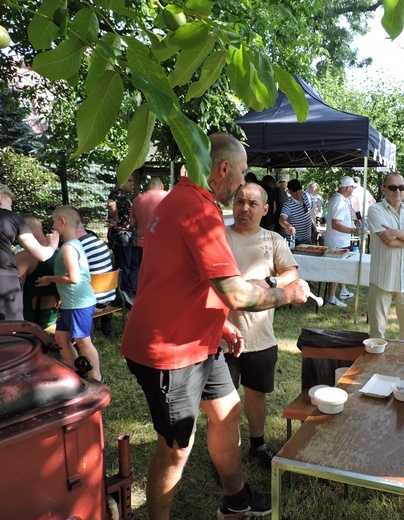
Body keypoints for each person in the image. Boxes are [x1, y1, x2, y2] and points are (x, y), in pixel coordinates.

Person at [120, 132, 308, 520]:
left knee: (227, 412)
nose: (242, 184)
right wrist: (288, 294)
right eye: (240, 175)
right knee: (175, 448)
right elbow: (237, 294)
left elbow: (183, 278)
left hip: (201, 342)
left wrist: (219, 326)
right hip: (169, 350)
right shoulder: (197, 208)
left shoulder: (181, 199)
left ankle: (236, 499)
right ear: (223, 168)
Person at [223, 182, 300, 468]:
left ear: (265, 209)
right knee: (224, 406)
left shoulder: (273, 239)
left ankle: (257, 444)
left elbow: (291, 273)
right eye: (240, 201)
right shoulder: (218, 237)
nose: (245, 208)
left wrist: (270, 281)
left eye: (253, 203)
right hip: (222, 337)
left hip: (260, 336)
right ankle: (226, 455)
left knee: (256, 395)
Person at [0, 183, 59, 319]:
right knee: (8, 331)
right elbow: (40, 255)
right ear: (0, 198)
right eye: (9, 204)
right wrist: (52, 245)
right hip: (4, 282)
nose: (10, 209)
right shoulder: (12, 217)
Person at [35, 206, 102, 382]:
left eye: (54, 222)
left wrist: (49, 278)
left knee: (82, 341)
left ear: (62, 222)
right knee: (61, 338)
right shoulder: (72, 244)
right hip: (70, 303)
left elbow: (73, 277)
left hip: (78, 303)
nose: (53, 226)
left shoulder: (67, 248)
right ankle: (78, 372)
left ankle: (96, 379)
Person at [366, 173, 404, 340]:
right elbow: (388, 242)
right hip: (382, 279)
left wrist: (397, 233)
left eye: (402, 187)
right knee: (377, 332)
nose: (398, 191)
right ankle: (375, 364)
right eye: (392, 187)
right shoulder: (375, 210)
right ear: (383, 189)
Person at [16, 214, 59, 329]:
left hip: (30, 320)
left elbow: (14, 289)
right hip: (59, 318)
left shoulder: (24, 257)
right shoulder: (63, 253)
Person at [323, 175, 361, 307]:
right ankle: (331, 297)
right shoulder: (339, 201)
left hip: (339, 240)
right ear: (347, 188)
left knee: (341, 267)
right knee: (336, 269)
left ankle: (343, 290)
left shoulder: (339, 199)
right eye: (352, 187)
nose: (352, 190)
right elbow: (336, 224)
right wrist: (353, 231)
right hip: (337, 241)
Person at [76, 221, 116, 337]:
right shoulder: (101, 244)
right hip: (109, 297)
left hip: (90, 302)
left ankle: (83, 335)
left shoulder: (77, 248)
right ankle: (107, 325)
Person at [130, 177, 168, 274]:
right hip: (162, 244)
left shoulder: (137, 199)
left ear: (147, 187)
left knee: (143, 273)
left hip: (142, 244)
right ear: (162, 186)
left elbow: (132, 223)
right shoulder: (168, 197)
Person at [107, 177, 135, 305]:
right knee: (123, 267)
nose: (132, 183)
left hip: (123, 237)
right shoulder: (117, 193)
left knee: (124, 265)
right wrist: (117, 219)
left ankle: (121, 294)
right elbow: (111, 204)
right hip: (121, 237)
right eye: (129, 180)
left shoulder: (122, 194)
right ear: (120, 181)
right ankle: (121, 296)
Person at [279, 179, 314, 246]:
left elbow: (308, 213)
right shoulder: (288, 204)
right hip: (295, 241)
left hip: (308, 238)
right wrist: (288, 226)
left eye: (299, 190)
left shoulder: (306, 196)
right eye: (295, 191)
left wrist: (314, 227)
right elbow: (281, 219)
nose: (298, 193)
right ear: (289, 191)